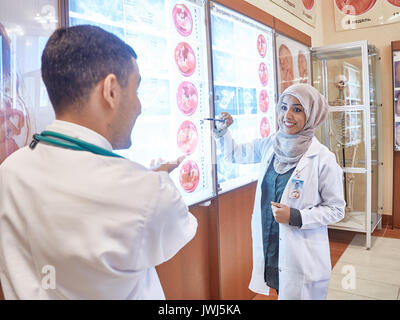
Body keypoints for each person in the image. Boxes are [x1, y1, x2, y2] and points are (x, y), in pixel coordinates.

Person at [0, 25, 197, 299]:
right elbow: (180, 227)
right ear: (111, 91)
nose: (139, 106)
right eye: (136, 88)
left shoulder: (9, 171)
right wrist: (156, 180)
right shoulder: (147, 193)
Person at [215, 83, 345, 300]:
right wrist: (223, 131)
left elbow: (336, 209)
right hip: (272, 248)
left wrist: (296, 216)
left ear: (312, 114)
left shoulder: (323, 158)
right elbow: (235, 155)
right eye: (284, 107)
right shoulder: (271, 145)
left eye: (297, 109)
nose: (287, 115)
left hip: (301, 255)